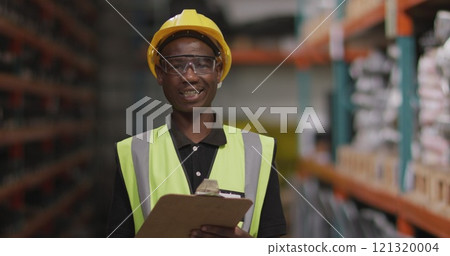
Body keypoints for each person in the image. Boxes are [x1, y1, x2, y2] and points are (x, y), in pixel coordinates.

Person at [107, 9, 286, 238]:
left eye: (202, 63)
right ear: (160, 73)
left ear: (218, 71)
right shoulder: (132, 153)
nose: (190, 76)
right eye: (176, 65)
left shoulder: (259, 151)